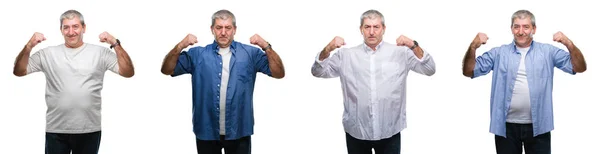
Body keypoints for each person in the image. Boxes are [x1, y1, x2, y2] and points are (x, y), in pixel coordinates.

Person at [461, 10, 587, 154]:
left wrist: (568, 43)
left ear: (534, 29)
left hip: (539, 127)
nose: (521, 32)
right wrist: (473, 46)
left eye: (526, 27)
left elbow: (579, 68)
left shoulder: (548, 52)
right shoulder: (498, 53)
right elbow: (469, 71)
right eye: (517, 27)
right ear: (511, 29)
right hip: (506, 128)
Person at [160, 9, 285, 154]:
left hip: (239, 129)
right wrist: (181, 45)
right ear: (212, 29)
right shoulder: (198, 54)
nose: (223, 32)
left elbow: (279, 73)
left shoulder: (251, 54)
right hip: (206, 130)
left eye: (228, 28)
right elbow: (166, 70)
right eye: (219, 27)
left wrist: (266, 46)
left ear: (235, 30)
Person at [311, 9, 436, 154]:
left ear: (383, 29)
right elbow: (317, 71)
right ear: (361, 30)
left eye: (376, 27)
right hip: (356, 132)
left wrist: (412, 45)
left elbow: (429, 69)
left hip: (390, 131)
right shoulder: (346, 55)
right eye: (367, 27)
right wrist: (327, 49)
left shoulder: (401, 53)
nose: (371, 32)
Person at [12, 9, 135, 154]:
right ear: (61, 30)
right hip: (56, 129)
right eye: (66, 27)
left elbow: (128, 72)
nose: (71, 32)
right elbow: (19, 71)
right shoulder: (47, 54)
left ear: (84, 28)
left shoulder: (100, 53)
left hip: (89, 129)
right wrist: (29, 46)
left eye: (75, 26)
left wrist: (115, 43)